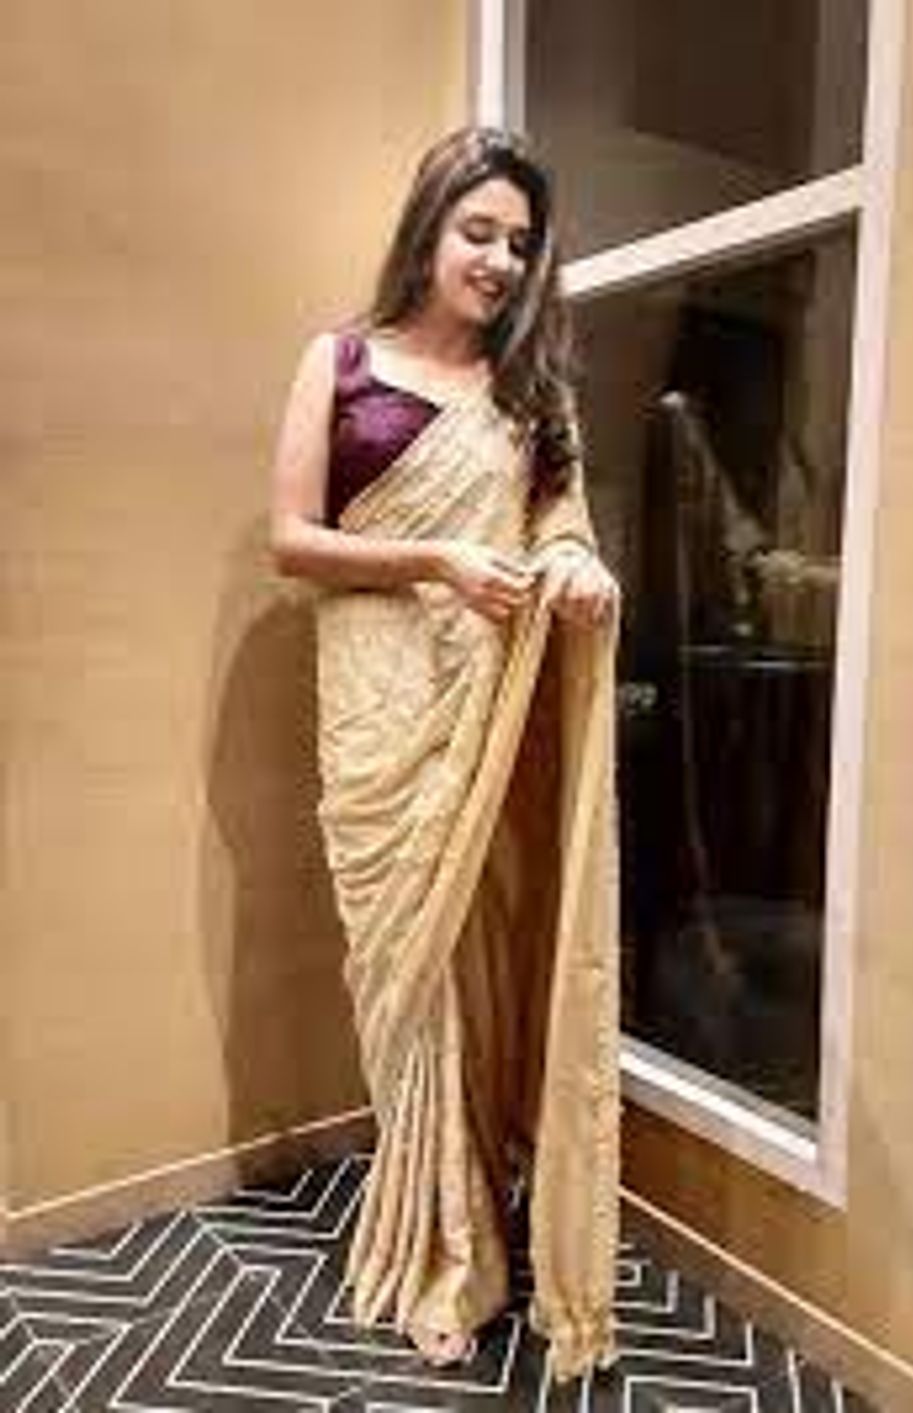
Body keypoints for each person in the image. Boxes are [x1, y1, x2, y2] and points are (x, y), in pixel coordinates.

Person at [269, 126, 621, 1381]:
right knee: (405, 986)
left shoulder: (533, 393)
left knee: (475, 969)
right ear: (427, 229)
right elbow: (291, 541)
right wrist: (435, 557)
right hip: (376, 710)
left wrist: (573, 566)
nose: (500, 261)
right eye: (479, 232)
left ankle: (468, 1232)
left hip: (486, 714)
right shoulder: (340, 361)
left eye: (520, 244)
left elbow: (562, 526)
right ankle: (436, 1245)